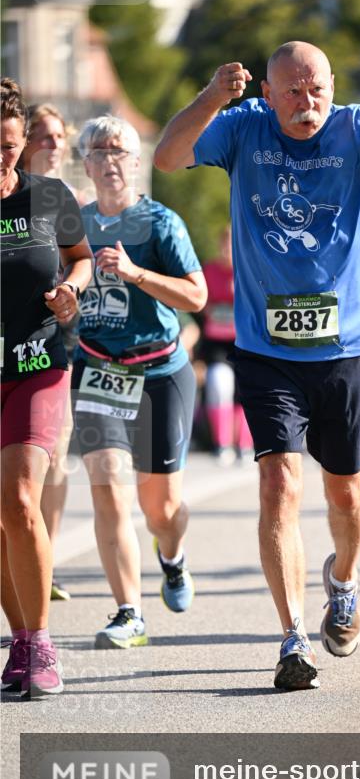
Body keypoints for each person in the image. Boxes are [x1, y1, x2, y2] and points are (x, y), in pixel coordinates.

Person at [155, 41, 360, 691]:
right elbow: (169, 157)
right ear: (267, 92)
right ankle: (293, 638)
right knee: (279, 488)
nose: (306, 102)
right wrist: (212, 96)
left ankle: (342, 581)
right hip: (267, 350)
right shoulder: (242, 129)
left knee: (347, 493)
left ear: (331, 85)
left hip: (349, 348)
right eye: (291, 91)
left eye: (316, 88)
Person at [73, 115, 207, 649]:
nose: (110, 159)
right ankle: (129, 612)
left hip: (158, 374)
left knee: (162, 512)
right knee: (107, 488)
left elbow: (197, 298)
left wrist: (136, 274)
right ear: (86, 164)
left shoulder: (161, 223)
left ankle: (171, 559)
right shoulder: (74, 227)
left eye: (120, 150)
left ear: (136, 161)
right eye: (99, 151)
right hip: (98, 370)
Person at [0, 78, 93, 698]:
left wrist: (73, 290)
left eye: (7, 145)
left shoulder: (48, 196)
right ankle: (17, 640)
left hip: (37, 363)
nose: (0, 158)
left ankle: (39, 642)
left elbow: (80, 256)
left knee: (19, 498)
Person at [19, 102, 83, 602]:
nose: (54, 144)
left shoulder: (66, 196)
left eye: (60, 136)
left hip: (54, 348)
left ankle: (48, 553)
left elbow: (81, 260)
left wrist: (73, 291)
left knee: (50, 463)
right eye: (45, 135)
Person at [200, 230, 253, 464]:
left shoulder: (248, 269)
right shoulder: (209, 270)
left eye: (231, 246)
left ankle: (245, 444)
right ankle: (222, 444)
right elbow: (199, 301)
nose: (227, 251)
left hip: (245, 341)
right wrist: (211, 310)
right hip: (217, 343)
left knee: (245, 389)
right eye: (224, 246)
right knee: (219, 384)